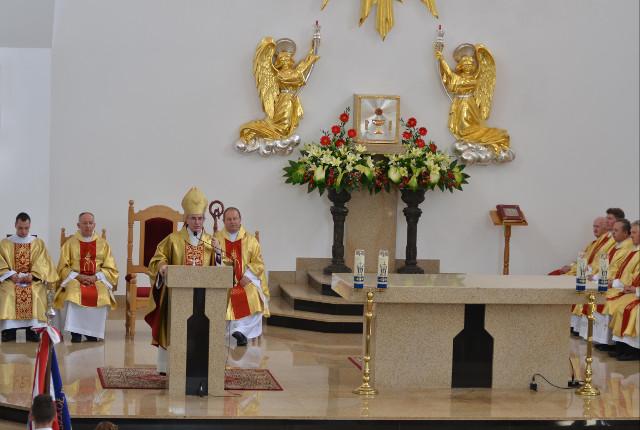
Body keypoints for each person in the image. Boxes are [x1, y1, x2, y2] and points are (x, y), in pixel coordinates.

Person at [145, 187, 219, 374]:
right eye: (193, 218)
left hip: (203, 297)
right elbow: (157, 258)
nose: (197, 222)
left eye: (200, 218)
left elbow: (221, 269)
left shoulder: (211, 242)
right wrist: (162, 267)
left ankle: (197, 366)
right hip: (176, 296)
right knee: (174, 326)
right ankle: (167, 366)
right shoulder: (173, 239)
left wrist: (218, 253)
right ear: (186, 218)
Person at [54, 212, 118, 342]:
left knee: (102, 293)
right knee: (72, 292)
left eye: (90, 223)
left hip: (97, 279)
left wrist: (96, 277)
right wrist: (78, 276)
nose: (88, 226)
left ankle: (93, 333)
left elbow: (111, 268)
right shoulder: (70, 243)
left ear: (94, 225)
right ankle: (75, 332)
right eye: (84, 223)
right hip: (75, 278)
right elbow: (62, 267)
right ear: (78, 225)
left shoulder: (103, 244)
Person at [214, 207, 269, 346]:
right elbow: (211, 261)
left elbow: (258, 263)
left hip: (245, 280)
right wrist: (217, 253)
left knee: (254, 295)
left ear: (240, 220)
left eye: (235, 218)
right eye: (229, 219)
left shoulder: (251, 240)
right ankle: (237, 332)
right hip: (224, 281)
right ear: (224, 221)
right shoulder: (216, 239)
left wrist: (249, 276)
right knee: (224, 295)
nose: (232, 221)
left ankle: (240, 331)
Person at [0, 213, 57, 342]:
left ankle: (33, 330)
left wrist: (33, 275)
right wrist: (11, 275)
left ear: (30, 226)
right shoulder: (5, 243)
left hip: (32, 280)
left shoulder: (38, 243)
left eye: (26, 228)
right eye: (20, 228)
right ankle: (8, 330)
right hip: (11, 280)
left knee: (35, 293)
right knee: (8, 293)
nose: (23, 231)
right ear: (15, 225)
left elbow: (43, 263)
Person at [606, 220, 639, 360]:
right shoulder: (634, 251)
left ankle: (632, 351)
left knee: (627, 308)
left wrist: (635, 290)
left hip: (635, 292)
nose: (631, 235)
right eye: (631, 232)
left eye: (634, 232)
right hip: (632, 290)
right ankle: (621, 348)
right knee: (620, 307)